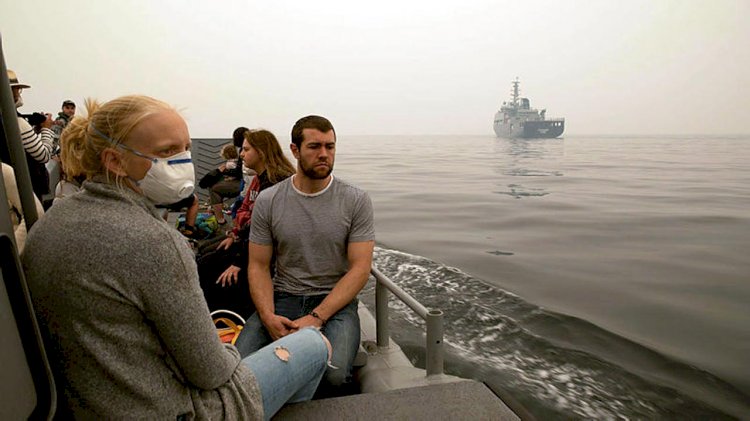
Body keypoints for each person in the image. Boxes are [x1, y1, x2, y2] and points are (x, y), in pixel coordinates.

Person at [21, 95, 330, 420]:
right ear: (114, 161)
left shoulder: (52, 221)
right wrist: (225, 349)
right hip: (169, 409)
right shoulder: (154, 241)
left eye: (184, 149)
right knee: (311, 343)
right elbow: (211, 372)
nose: (184, 160)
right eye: (167, 152)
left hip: (94, 400)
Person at [234, 115, 376, 395]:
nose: (324, 154)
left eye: (330, 146)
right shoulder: (269, 200)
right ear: (295, 150)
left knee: (334, 376)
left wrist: (317, 316)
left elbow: (360, 268)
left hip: (335, 304)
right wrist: (267, 315)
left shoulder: (355, 200)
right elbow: (259, 266)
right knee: (239, 367)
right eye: (314, 146)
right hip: (283, 298)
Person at [197, 129, 295, 317]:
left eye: (246, 149)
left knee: (207, 268)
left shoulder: (275, 182)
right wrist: (235, 235)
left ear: (262, 151)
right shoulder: (261, 179)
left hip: (268, 252)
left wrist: (238, 262)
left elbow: (263, 229)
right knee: (205, 253)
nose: (241, 154)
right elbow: (252, 220)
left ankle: (220, 316)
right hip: (252, 242)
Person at [8, 70, 54, 201]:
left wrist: (35, 131)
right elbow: (43, 155)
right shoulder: (17, 122)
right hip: (27, 189)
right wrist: (46, 129)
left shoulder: (7, 120)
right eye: (17, 89)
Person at [208, 142, 242, 225]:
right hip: (241, 181)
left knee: (213, 188)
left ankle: (220, 219)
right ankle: (216, 207)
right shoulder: (238, 160)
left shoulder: (229, 164)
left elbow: (236, 174)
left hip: (239, 183)